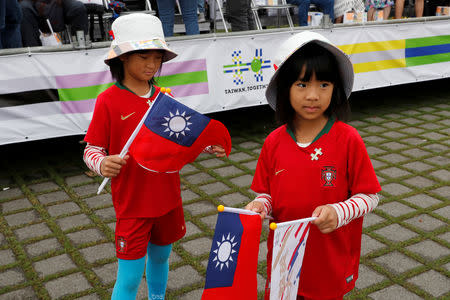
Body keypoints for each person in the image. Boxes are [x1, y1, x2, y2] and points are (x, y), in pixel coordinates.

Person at [83, 14, 224, 299]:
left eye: (157, 57)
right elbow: (91, 150)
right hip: (133, 203)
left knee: (161, 258)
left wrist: (209, 146)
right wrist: (102, 164)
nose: (151, 64)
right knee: (130, 276)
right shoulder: (108, 100)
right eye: (143, 56)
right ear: (121, 58)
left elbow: (183, 138)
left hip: (168, 197)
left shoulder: (164, 97)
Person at [245, 31, 381, 299]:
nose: (313, 96)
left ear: (336, 89)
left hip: (329, 260)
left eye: (324, 85)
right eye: (302, 85)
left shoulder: (348, 140)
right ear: (285, 88)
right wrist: (261, 206)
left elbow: (370, 196)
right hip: (284, 257)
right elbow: (267, 194)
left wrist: (339, 211)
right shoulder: (273, 142)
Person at [20, 0, 88, 47]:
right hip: (32, 3)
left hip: (58, 4)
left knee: (78, 7)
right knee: (24, 8)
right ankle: (32, 51)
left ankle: (81, 47)